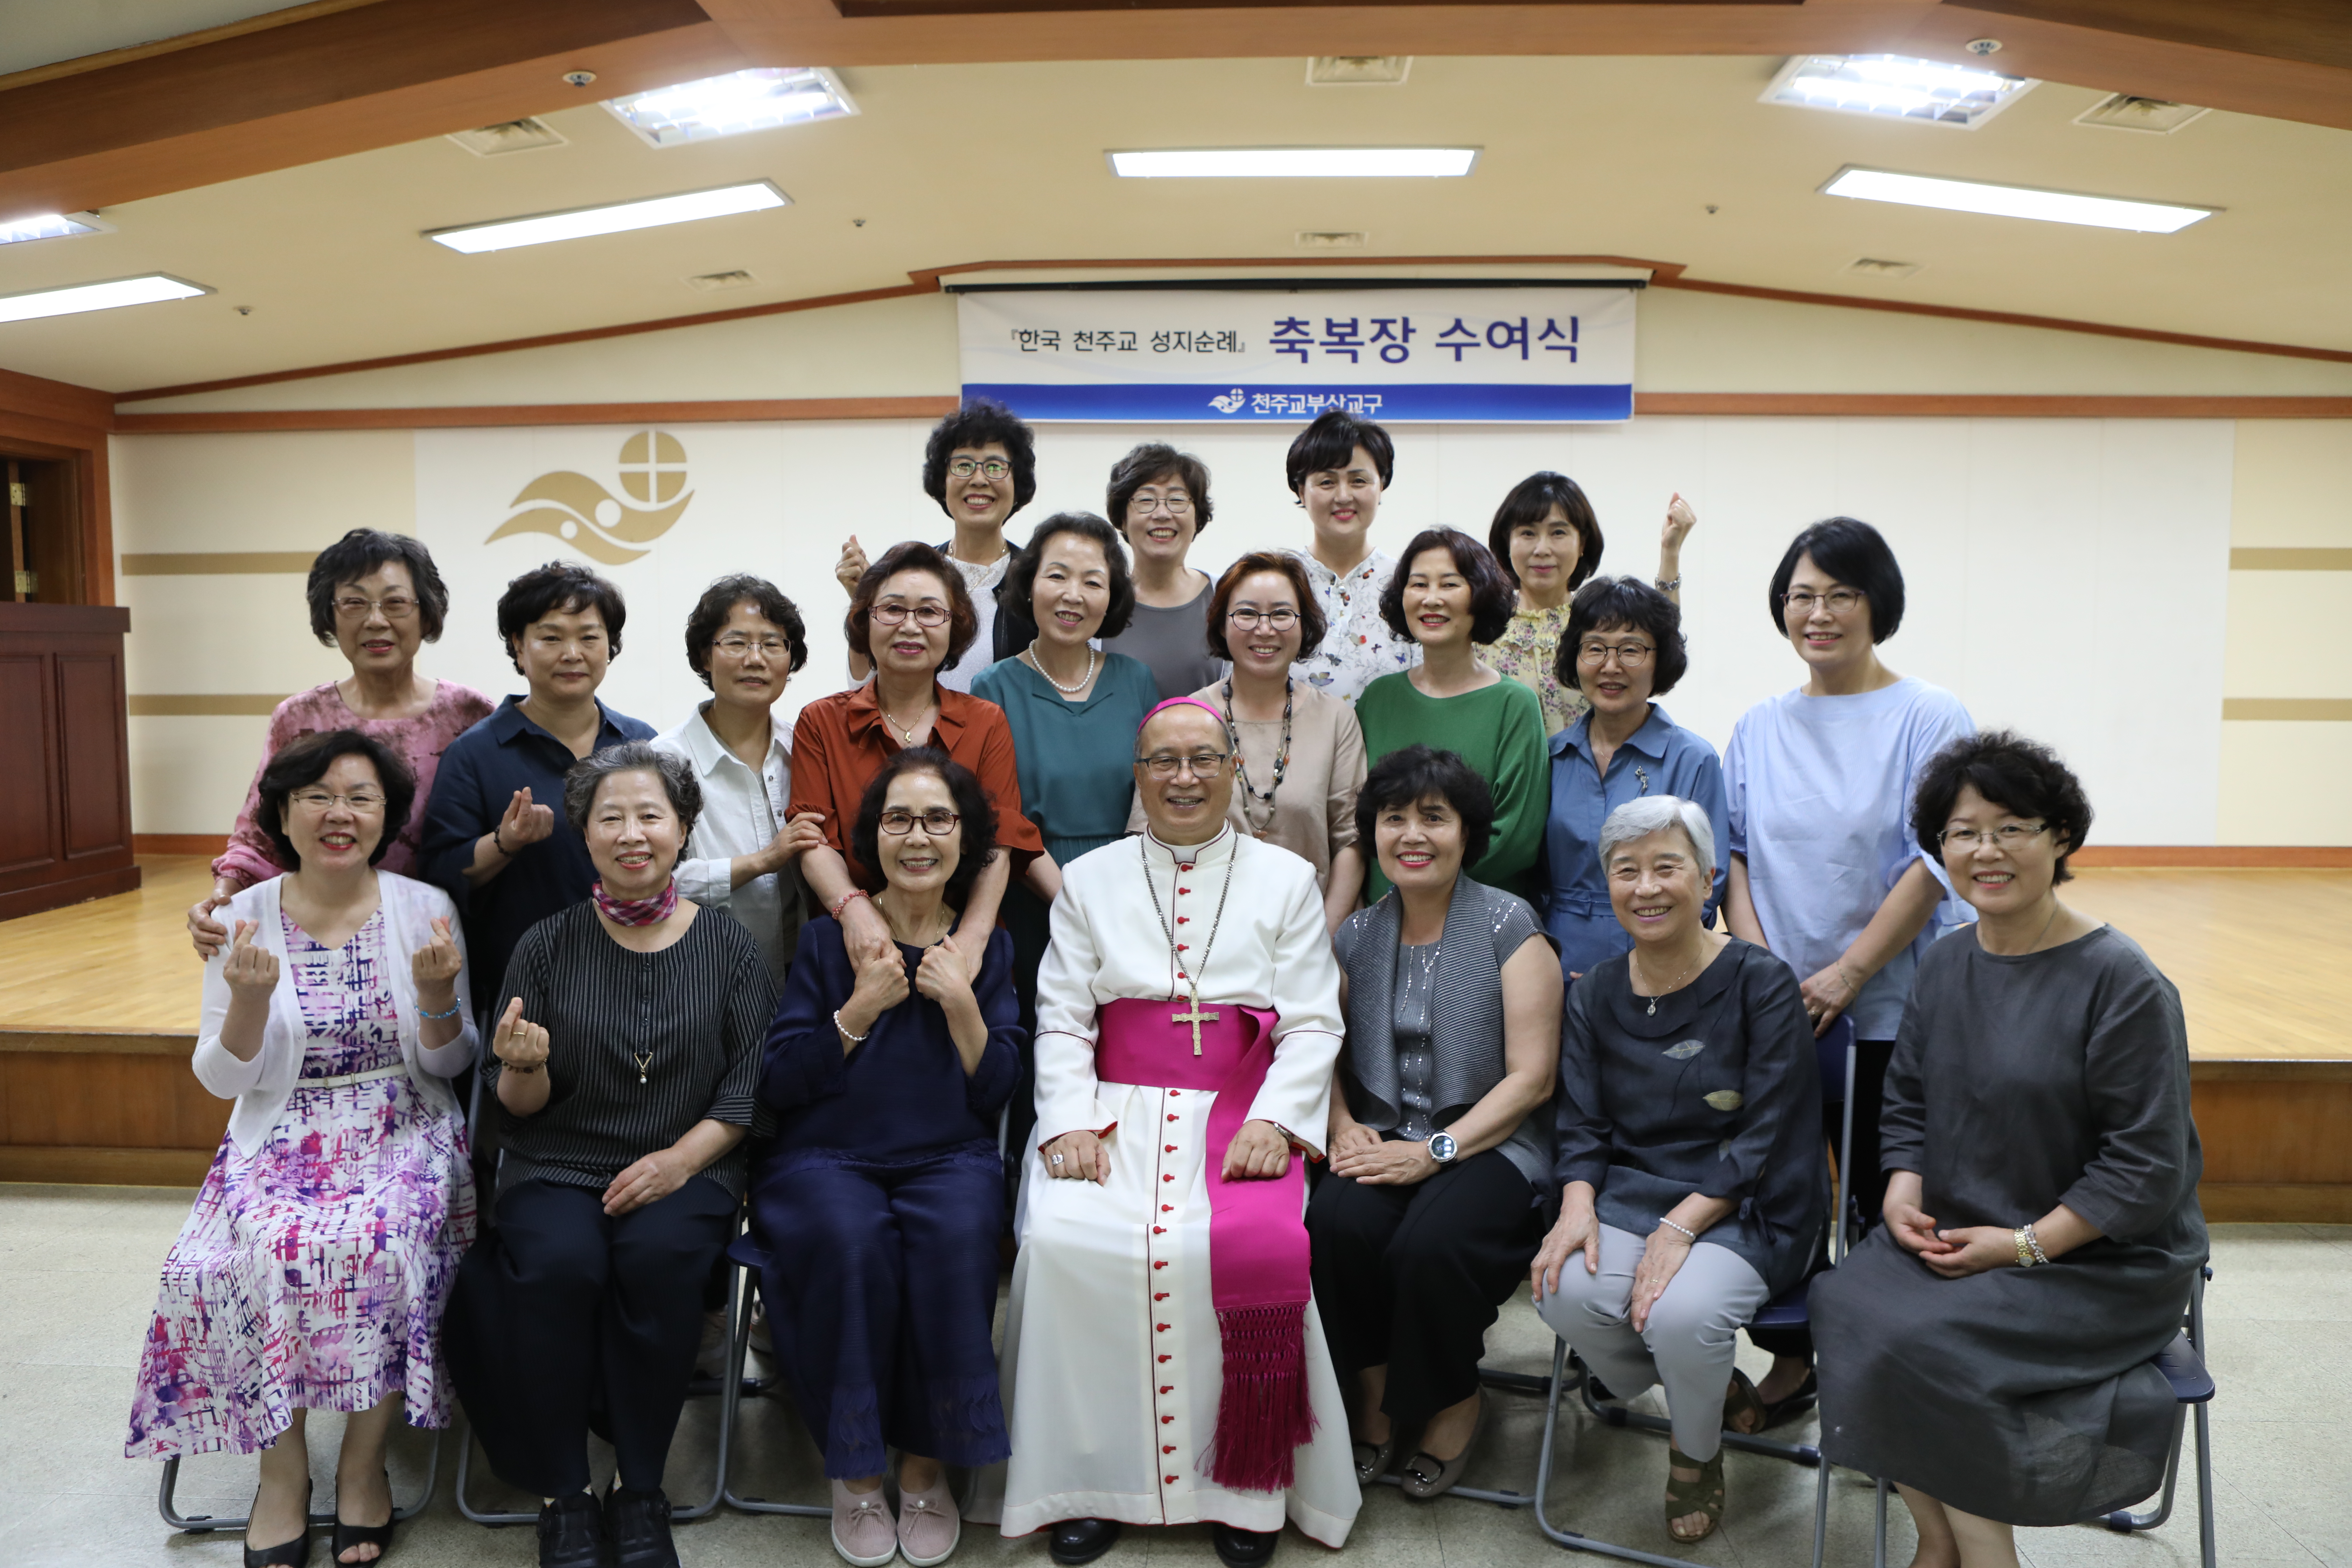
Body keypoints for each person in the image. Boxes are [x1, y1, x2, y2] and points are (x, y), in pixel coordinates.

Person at [976, 699, 1359, 1568]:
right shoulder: (1093, 879)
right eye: (1162, 763)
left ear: (1231, 770)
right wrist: (1067, 1121)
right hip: (1116, 1113)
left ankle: (1244, 1489)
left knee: (1214, 1251)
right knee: (1067, 1243)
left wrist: (1276, 1118)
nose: (1183, 778)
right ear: (1138, 775)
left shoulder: (1288, 880)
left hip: (1237, 1115)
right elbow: (1065, 1019)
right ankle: (1087, 1485)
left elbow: (1311, 1022)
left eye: (1201, 760)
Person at [1811, 733, 2207, 1567]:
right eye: (1963, 832)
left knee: (1932, 1344)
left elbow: (2146, 1168)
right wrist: (1900, 1192)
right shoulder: (1947, 963)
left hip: (2097, 1260)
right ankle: (1939, 1540)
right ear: (1941, 849)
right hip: (1962, 1226)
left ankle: (1985, 1556)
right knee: (1847, 1302)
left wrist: (2025, 1246)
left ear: (2060, 837)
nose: (1986, 851)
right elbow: (1908, 1101)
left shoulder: (2123, 982)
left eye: (2012, 827)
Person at [128, 730, 477, 1568]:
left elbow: (450, 1061)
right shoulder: (240, 917)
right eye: (317, 796)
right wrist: (247, 1003)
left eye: (361, 798)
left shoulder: (425, 906)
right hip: (280, 1129)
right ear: (283, 813)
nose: (339, 814)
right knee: (260, 1251)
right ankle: (281, 1470)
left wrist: (435, 998)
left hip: (401, 1122)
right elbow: (222, 1078)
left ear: (388, 817)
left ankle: (361, 1467)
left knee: (384, 1245)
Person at [443, 743, 773, 1568]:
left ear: (684, 829)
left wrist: (677, 1162)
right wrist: (524, 1062)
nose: (633, 834)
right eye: (611, 818)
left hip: (688, 1164)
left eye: (651, 816)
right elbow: (517, 1106)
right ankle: (565, 1495)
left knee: (660, 1263)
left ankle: (642, 1488)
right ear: (585, 837)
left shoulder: (731, 948)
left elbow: (750, 1086)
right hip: (557, 1161)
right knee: (559, 1266)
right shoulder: (545, 945)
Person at [1721, 517, 1973, 1424]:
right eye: (1801, 596)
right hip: (1781, 1010)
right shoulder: (1758, 725)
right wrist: (1759, 970)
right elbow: (1736, 855)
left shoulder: (1928, 714)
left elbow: (1938, 856)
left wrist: (1848, 974)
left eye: (1841, 594)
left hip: (1887, 1009)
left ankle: (1887, 1379)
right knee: (1783, 1195)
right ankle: (1795, 1366)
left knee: (1882, 1198)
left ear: (1879, 604)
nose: (1818, 614)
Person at [752, 750, 1023, 1568]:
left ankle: (924, 1465)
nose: (918, 837)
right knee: (850, 1242)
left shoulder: (991, 950)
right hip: (828, 1158)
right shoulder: (832, 943)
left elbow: (1000, 1089)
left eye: (939, 819)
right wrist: (859, 1009)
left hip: (950, 1155)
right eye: (899, 819)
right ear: (874, 836)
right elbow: (782, 1080)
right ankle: (858, 1469)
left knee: (956, 1241)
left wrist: (964, 1006)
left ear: (964, 839)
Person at [1531, 795, 1825, 1545]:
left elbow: (1771, 1130)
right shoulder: (1594, 992)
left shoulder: (1762, 982)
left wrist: (1683, 1223)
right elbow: (1585, 1123)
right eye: (1627, 870)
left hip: (1755, 1199)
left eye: (1669, 866)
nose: (1648, 887)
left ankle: (1695, 1452)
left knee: (1684, 1314)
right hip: (1635, 1189)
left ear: (1707, 878)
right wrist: (1574, 1206)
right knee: (1563, 1286)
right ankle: (1712, 1387)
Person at [1312, 747, 1558, 1500]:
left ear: (1467, 833)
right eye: (1394, 818)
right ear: (1374, 834)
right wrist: (1343, 1122)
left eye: (1434, 817)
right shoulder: (1355, 934)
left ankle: (1453, 1399)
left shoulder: (1509, 923)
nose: (1412, 834)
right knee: (1334, 1225)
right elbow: (1317, 1045)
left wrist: (1436, 1151)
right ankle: (1378, 1401)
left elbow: (1533, 1077)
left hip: (1493, 1140)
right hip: (1388, 1134)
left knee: (1432, 1242)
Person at [188, 528, 492, 957]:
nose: (375, 620)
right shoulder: (300, 718)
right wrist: (220, 898)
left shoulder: (470, 715)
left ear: (426, 615)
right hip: (320, 933)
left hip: (440, 932)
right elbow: (259, 836)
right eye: (354, 603)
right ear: (329, 617)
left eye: (395, 602)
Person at [972, 513, 1159, 1158]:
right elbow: (1005, 815)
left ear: (1112, 596)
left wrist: (1123, 899)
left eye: (1092, 580)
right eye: (1058, 575)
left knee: (1130, 1052)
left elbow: (1154, 797)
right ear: (1029, 588)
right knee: (1045, 1055)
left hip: (1137, 898)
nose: (1074, 595)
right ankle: (1031, 1211)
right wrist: (1078, 905)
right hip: (1035, 895)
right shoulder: (994, 687)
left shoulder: (1136, 680)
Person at [789, 541, 1044, 973]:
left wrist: (974, 937)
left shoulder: (986, 722)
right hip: (853, 945)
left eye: (929, 612)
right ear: (864, 621)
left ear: (955, 627)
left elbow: (1000, 841)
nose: (910, 626)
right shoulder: (821, 722)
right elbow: (813, 840)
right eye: (892, 610)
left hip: (962, 946)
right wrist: (855, 912)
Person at [420, 561, 654, 1012]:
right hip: (524, 992)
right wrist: (505, 843)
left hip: (640, 983)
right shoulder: (475, 753)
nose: (572, 653)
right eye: (551, 638)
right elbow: (440, 874)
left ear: (611, 647)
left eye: (589, 637)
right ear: (519, 648)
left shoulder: (642, 743)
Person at [1130, 551, 1366, 932]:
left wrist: (1324, 935)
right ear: (1222, 624)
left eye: (1281, 614)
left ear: (1304, 625)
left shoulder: (1337, 720)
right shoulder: (1185, 716)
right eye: (1247, 613)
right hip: (1198, 929)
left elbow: (1351, 840)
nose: (1264, 629)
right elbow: (1147, 832)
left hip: (1309, 926)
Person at [1540, 577, 1726, 983]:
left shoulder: (1693, 759)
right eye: (1595, 648)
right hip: (1557, 965)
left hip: (1661, 970)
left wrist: (1653, 964)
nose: (1611, 666)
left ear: (1660, 660)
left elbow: (1711, 881)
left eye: (1631, 649)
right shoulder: (1550, 757)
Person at [1353, 528, 1548, 900]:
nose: (1431, 599)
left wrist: (1422, 891)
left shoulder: (1515, 704)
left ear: (1481, 596)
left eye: (1450, 585)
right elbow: (1360, 817)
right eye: (1419, 584)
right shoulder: (1378, 698)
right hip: (1384, 917)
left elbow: (1517, 838)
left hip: (1481, 923)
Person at [654, 574, 825, 987]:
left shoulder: (806, 745)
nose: (756, 659)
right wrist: (761, 862)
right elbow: (654, 881)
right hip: (706, 979)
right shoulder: (664, 758)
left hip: (807, 977)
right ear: (705, 657)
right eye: (736, 643)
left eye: (772, 644)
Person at [833, 399, 1040, 692]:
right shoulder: (911, 574)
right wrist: (862, 606)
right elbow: (863, 688)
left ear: (1017, 483)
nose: (979, 479)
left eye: (995, 466)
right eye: (964, 465)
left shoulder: (1037, 582)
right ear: (942, 482)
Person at [1479, 473, 1699, 738]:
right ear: (1507, 541)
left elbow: (1663, 645)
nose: (1542, 548)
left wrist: (1670, 552)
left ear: (1582, 543)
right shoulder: (1483, 626)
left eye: (1558, 533)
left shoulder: (1596, 622)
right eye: (1528, 533)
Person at [1282, 408, 1417, 704]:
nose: (1343, 496)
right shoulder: (1279, 583)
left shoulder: (1409, 584)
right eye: (1327, 482)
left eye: (1358, 481)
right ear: (1301, 491)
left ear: (1381, 485)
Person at [1096, 442, 1225, 698]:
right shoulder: (1099, 600)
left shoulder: (1226, 595)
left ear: (1197, 517)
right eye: (1146, 500)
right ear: (1123, 518)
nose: (1163, 513)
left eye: (1177, 500)